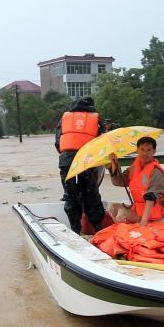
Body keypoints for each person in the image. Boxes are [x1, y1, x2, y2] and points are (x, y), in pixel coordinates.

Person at [55, 96, 107, 232]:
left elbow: (57, 142)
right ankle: (97, 229)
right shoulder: (96, 118)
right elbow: (104, 141)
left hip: (66, 160)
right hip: (87, 159)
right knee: (90, 193)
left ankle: (75, 230)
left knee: (70, 194)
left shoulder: (64, 118)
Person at [106, 136, 164, 227]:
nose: (144, 153)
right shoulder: (134, 167)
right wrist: (114, 163)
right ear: (137, 150)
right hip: (138, 212)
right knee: (111, 207)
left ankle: (133, 228)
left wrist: (143, 223)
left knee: (121, 216)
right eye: (142, 149)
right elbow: (119, 182)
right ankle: (125, 228)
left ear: (154, 151)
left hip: (153, 217)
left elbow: (151, 198)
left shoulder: (156, 171)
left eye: (148, 150)